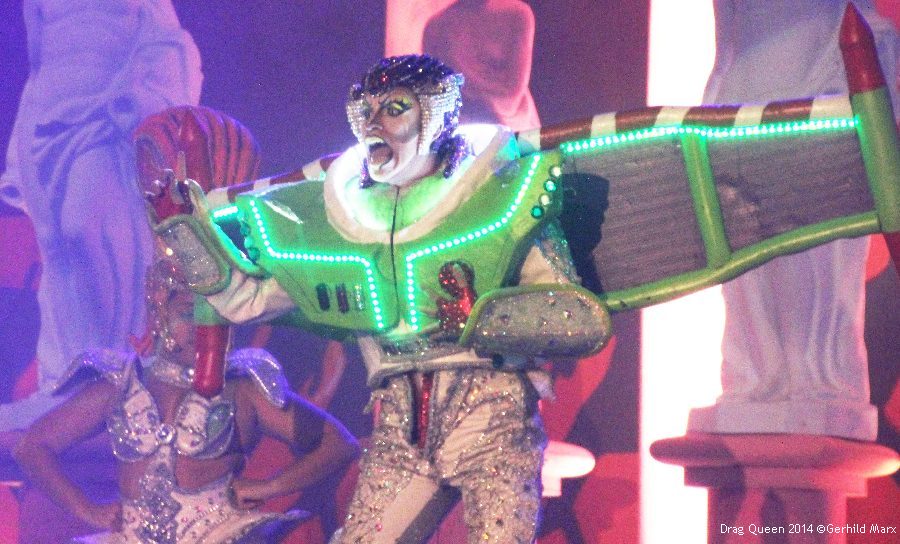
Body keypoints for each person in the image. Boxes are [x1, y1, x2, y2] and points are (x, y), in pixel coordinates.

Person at [146, 54, 611, 543]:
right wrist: (180, 230)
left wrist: (483, 318)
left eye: (393, 109)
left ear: (435, 117)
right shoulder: (343, 223)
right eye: (365, 111)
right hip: (399, 436)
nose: (373, 124)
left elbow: (578, 319)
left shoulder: (502, 199)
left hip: (493, 425)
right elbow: (244, 301)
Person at [13, 249, 360, 543]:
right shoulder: (120, 384)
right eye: (189, 314)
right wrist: (88, 510)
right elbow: (32, 446)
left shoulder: (242, 388)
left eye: (214, 318)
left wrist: (268, 487)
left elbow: (339, 444)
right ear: (161, 312)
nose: (201, 328)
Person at [0, 0, 202, 435]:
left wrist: (144, 93)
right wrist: (22, 135)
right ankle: (63, 382)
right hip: (51, 114)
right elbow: (38, 55)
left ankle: (110, 375)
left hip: (106, 109)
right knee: (59, 250)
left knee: (87, 227)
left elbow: (166, 38)